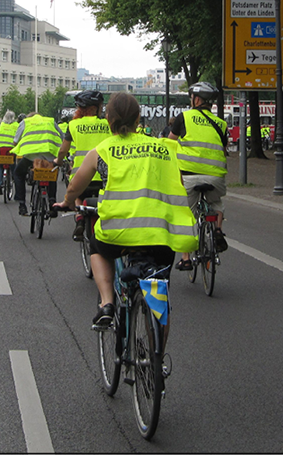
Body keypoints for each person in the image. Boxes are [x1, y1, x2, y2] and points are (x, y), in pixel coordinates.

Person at [55, 92, 198, 328]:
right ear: (138, 119)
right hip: (161, 235)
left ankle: (107, 302)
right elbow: (177, 185)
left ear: (108, 117)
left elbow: (74, 186)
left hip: (117, 233)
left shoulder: (103, 150)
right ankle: (157, 358)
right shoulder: (164, 148)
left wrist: (68, 202)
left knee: (96, 245)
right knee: (160, 303)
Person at [169, 81, 229, 270]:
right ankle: (217, 230)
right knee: (217, 203)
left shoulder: (184, 118)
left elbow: (169, 143)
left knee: (186, 215)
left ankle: (186, 258)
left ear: (195, 99)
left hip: (190, 176)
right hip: (216, 177)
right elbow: (225, 149)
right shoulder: (221, 123)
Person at [56, 90, 112, 241]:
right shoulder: (107, 124)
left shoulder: (73, 125)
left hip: (82, 176)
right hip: (105, 176)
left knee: (78, 196)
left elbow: (63, 150)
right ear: (95, 108)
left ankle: (80, 219)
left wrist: (58, 162)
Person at [11, 110, 63, 217]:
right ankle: (52, 203)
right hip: (49, 155)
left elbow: (15, 141)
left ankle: (22, 204)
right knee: (51, 176)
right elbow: (62, 137)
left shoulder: (25, 122)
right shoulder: (50, 121)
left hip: (31, 156)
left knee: (18, 173)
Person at [0, 111, 19, 194]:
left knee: (0, 167)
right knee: (13, 168)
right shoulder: (16, 125)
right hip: (11, 149)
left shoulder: (2, 124)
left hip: (0, 148)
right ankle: (16, 184)